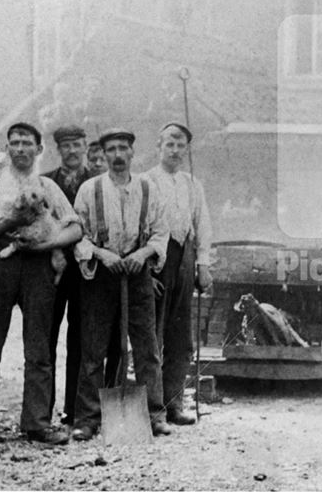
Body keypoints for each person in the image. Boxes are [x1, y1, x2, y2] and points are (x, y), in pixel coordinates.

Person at [0, 123, 82, 451]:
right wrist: (11, 223)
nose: (20, 149)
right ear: (7, 148)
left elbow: (75, 229)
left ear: (38, 148)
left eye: (26, 143)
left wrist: (45, 247)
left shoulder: (46, 185)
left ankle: (37, 424)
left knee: (39, 347)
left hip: (37, 267)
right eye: (14, 143)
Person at [70, 128, 172, 441]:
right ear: (103, 154)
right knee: (93, 349)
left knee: (147, 348)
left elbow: (160, 232)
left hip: (138, 275)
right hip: (102, 276)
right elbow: (78, 234)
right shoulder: (90, 190)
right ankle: (87, 418)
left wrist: (142, 254)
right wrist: (101, 254)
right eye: (111, 149)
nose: (117, 155)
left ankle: (154, 414)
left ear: (132, 153)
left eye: (122, 149)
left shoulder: (148, 188)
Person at [146, 122, 213, 425]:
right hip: (156, 260)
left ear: (186, 150)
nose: (174, 151)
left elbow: (203, 225)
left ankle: (174, 403)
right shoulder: (145, 181)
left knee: (181, 336)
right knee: (152, 335)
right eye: (169, 144)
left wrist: (203, 264)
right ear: (158, 147)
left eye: (180, 146)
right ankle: (153, 407)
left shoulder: (192, 184)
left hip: (184, 259)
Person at [42, 125, 96, 427]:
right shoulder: (47, 181)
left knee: (81, 338)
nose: (72, 151)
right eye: (66, 146)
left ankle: (75, 410)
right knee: (47, 336)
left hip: (87, 271)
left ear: (85, 146)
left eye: (77, 145)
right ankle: (42, 410)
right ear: (58, 150)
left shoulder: (96, 182)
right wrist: (56, 249)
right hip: (54, 269)